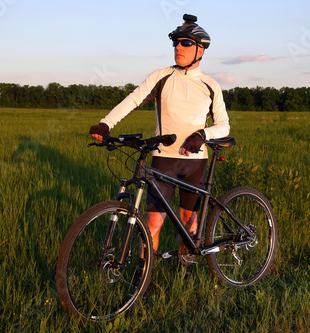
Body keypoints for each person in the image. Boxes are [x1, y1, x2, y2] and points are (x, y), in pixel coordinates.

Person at [89, 14, 230, 252]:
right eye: (175, 42)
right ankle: (146, 278)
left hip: (195, 162)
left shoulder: (210, 85)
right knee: (153, 223)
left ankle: (184, 273)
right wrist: (106, 123)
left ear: (201, 51)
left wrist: (202, 136)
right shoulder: (162, 76)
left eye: (185, 43)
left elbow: (224, 125)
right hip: (164, 159)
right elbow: (134, 99)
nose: (178, 47)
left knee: (189, 222)